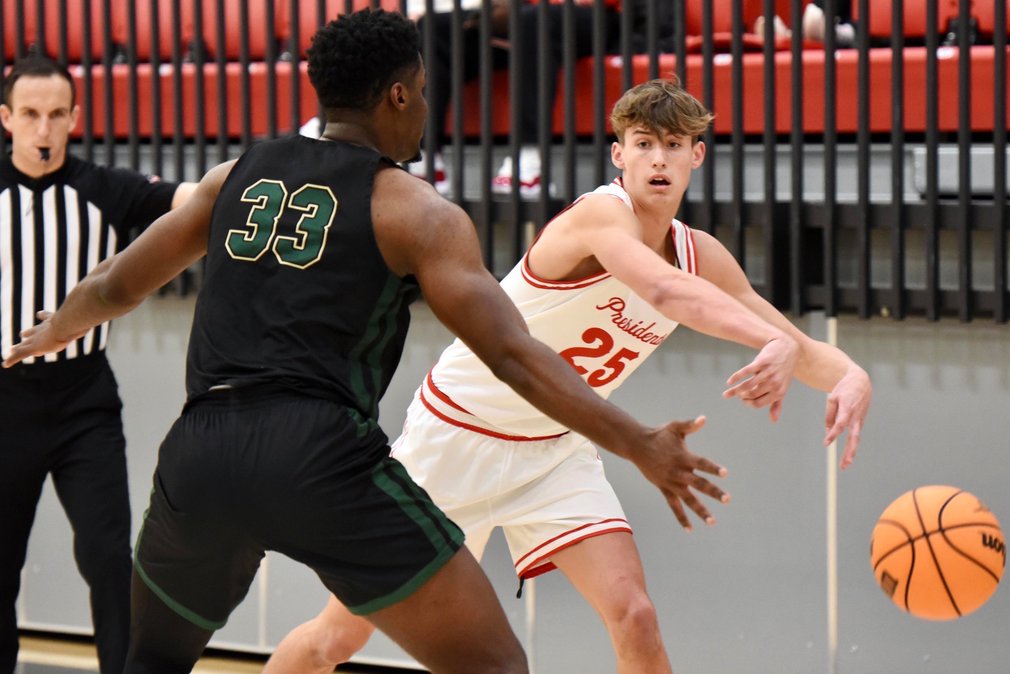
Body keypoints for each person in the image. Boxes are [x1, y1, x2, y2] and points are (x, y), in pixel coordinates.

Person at [2, 14, 739, 674]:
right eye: (421, 89)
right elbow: (512, 357)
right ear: (396, 95)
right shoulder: (415, 210)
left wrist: (49, 332)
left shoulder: (236, 174)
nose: (425, 105)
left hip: (202, 451)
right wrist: (638, 441)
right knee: (494, 665)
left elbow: (114, 289)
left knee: (152, 660)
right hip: (319, 458)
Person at [265, 78, 873, 674]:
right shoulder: (596, 219)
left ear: (696, 155)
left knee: (634, 614)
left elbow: (792, 341)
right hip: (455, 438)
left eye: (671, 144)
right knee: (337, 638)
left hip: (555, 450)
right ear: (619, 154)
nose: (657, 158)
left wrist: (850, 376)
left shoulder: (701, 255)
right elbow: (664, 291)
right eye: (642, 143)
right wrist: (769, 341)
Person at [0, 55, 195, 674]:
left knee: (110, 557)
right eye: (29, 114)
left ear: (75, 118)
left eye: (56, 114)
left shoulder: (104, 190)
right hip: (4, 403)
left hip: (83, 401)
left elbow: (191, 199)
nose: (43, 129)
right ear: (6, 119)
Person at [411, 0, 672, 196]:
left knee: (535, 21)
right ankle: (425, 157)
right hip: (526, 14)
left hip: (600, 17)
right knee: (434, 27)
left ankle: (529, 162)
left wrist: (644, 39)